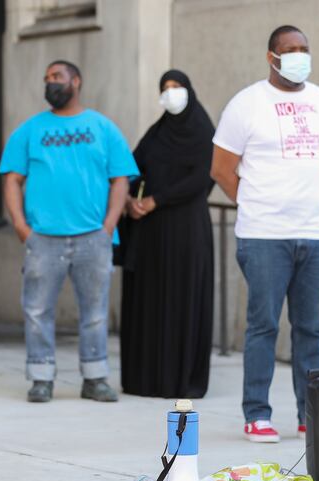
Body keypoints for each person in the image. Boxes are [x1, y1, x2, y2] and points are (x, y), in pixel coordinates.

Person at [211, 25, 319, 443]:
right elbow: (221, 169)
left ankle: (310, 415)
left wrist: (302, 199)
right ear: (271, 56)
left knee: (311, 330)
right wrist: (255, 204)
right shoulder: (246, 104)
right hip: (264, 235)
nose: (299, 55)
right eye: (290, 50)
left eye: (304, 48)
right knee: (263, 326)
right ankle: (257, 414)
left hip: (315, 232)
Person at [0, 60, 138, 403]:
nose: (51, 83)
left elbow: (120, 178)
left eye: (57, 77)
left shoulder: (103, 128)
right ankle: (41, 378)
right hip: (42, 239)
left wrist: (108, 226)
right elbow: (12, 179)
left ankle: (94, 378)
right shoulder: (29, 130)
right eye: (47, 79)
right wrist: (20, 225)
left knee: (94, 312)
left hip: (93, 236)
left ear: (76, 81)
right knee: (36, 311)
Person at [120, 70, 215, 399]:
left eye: (177, 87)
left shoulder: (203, 132)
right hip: (150, 232)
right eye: (165, 88)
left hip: (187, 230)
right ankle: (145, 379)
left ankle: (180, 379)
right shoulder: (157, 133)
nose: (171, 93)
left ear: (190, 91)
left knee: (181, 298)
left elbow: (203, 177)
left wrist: (156, 200)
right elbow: (133, 166)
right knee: (150, 300)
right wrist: (129, 199)